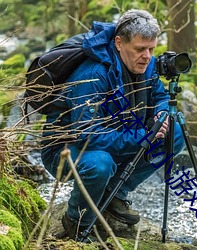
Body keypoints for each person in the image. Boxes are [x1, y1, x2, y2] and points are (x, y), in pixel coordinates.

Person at [41, 9, 185, 241]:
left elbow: (159, 96)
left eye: (151, 49)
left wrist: (161, 114)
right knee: (100, 164)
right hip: (66, 149)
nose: (147, 56)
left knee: (175, 132)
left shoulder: (145, 64)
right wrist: (143, 136)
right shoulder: (92, 75)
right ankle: (76, 221)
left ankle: (115, 193)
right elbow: (87, 135)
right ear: (119, 43)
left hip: (118, 133)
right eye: (140, 49)